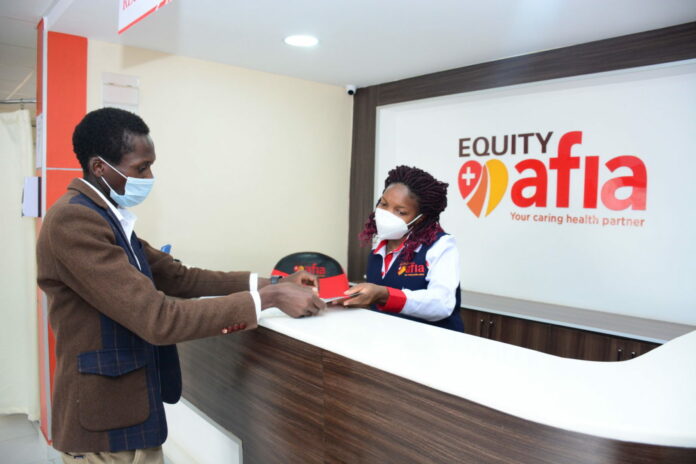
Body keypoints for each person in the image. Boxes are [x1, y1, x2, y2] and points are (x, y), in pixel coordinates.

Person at [36, 108, 325, 463]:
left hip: (129, 412)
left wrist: (275, 282)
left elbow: (179, 277)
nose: (150, 176)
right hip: (105, 423)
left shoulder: (107, 215)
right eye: (141, 168)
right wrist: (267, 298)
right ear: (99, 168)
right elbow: (158, 319)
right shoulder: (74, 219)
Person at [341, 165, 464, 332]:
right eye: (383, 204)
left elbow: (442, 304)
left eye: (400, 211)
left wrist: (385, 294)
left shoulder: (441, 245)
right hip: (390, 340)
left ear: (421, 218)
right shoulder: (379, 246)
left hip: (432, 345)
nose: (387, 214)